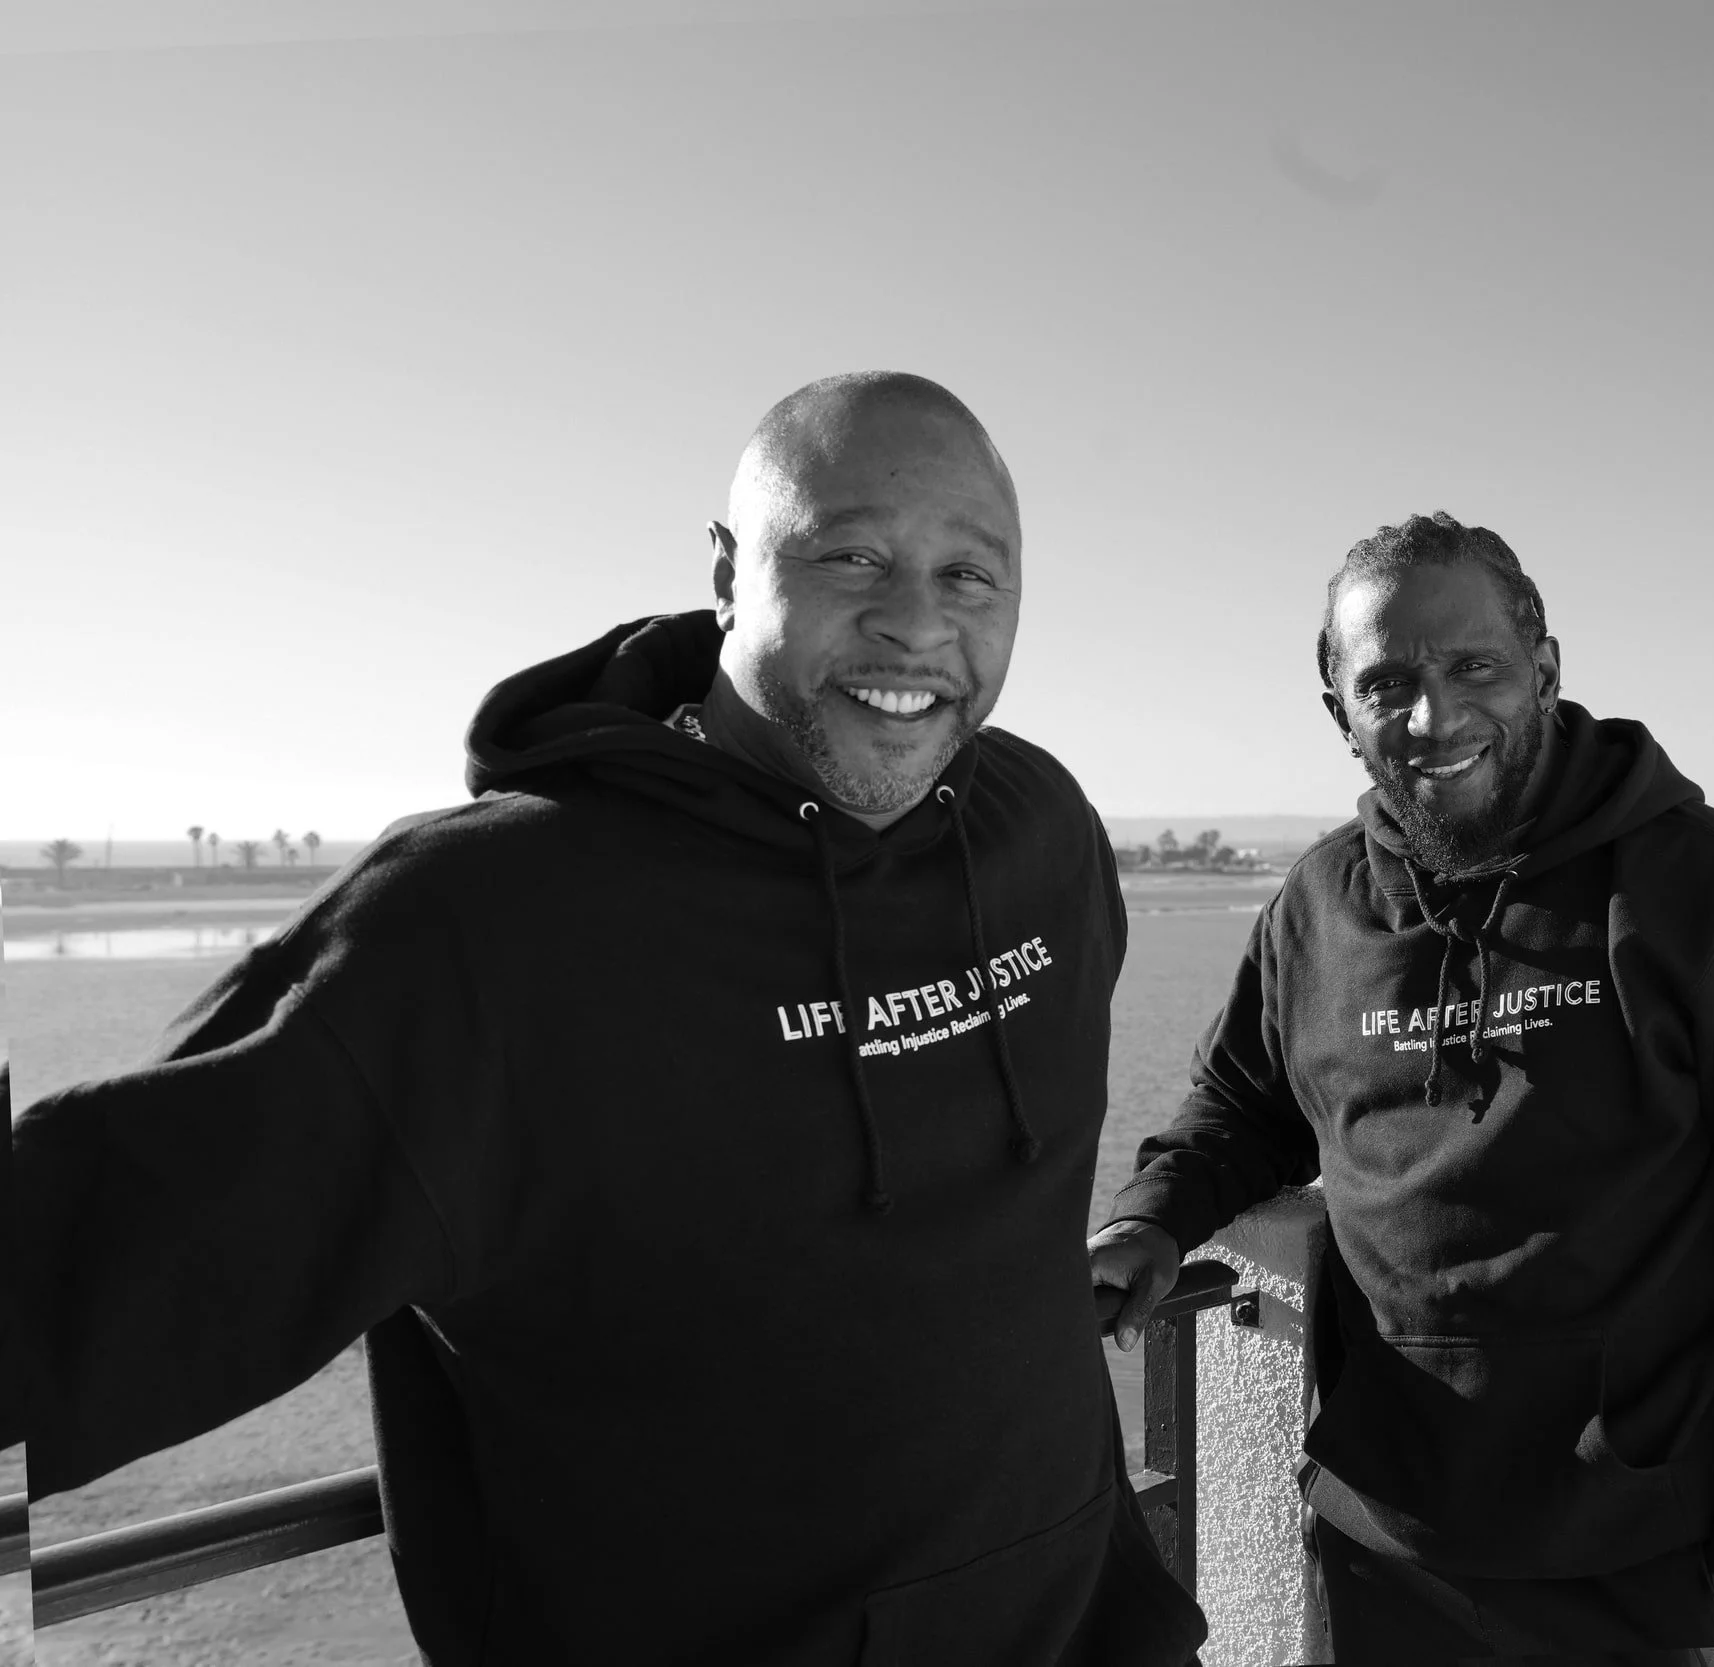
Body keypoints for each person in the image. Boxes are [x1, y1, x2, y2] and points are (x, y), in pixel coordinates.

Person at [13, 373, 1206, 1667]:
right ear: (730, 573)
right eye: (851, 555)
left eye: (970, 574)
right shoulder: (483, 927)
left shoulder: (1039, 830)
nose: (916, 621)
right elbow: (74, 1292)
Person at [1089, 511, 1714, 1662]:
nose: (1434, 716)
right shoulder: (1317, 907)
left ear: (1545, 670)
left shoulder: (1709, 890)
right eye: (1387, 683)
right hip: (1387, 1539)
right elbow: (1241, 1105)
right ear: (1339, 715)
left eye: (1473, 666)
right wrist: (1149, 1219)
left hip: (1648, 1553)